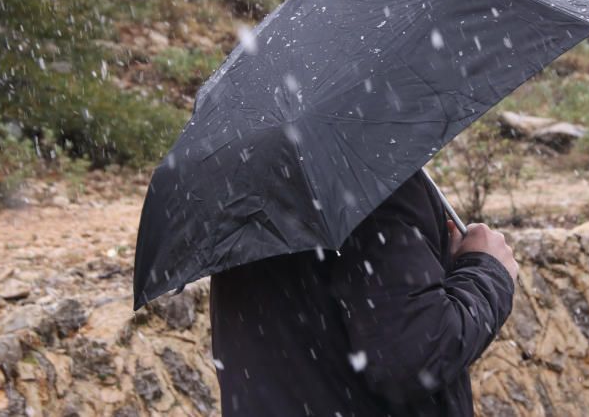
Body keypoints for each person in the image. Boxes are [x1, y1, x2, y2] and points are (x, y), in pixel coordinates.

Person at [209, 168, 518, 416]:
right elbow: (413, 359)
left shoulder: (240, 189)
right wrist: (486, 271)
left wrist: (439, 266)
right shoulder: (373, 181)